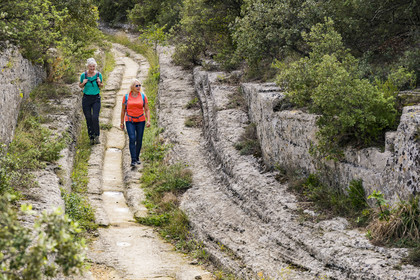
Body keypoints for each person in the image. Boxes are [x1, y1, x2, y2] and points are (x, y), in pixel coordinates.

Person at [120, 79, 151, 167]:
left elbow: (147, 109)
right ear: (132, 87)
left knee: (139, 139)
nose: (138, 87)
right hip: (130, 120)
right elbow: (123, 111)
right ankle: (133, 159)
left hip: (141, 120)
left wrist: (148, 120)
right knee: (132, 138)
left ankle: (137, 157)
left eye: (139, 85)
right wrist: (122, 123)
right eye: (136, 85)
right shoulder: (126, 97)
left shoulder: (143, 96)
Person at [79, 58, 103, 145]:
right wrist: (83, 83)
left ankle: (97, 135)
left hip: (96, 98)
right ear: (88, 66)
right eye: (90, 66)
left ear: (95, 66)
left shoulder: (98, 75)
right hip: (86, 98)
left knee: (95, 117)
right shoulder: (83, 75)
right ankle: (91, 137)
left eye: (93, 66)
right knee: (88, 118)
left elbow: (101, 86)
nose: (92, 68)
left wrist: (99, 83)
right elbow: (80, 86)